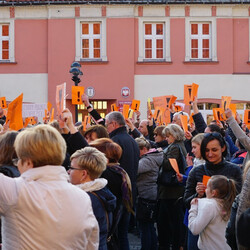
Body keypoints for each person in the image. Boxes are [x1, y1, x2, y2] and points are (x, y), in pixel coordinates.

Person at [0, 125, 99, 249]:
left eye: (18, 160)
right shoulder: (83, 197)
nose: (18, 165)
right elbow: (91, 244)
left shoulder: (15, 191)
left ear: (28, 161)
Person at [69, 147, 116, 250]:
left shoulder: (84, 199)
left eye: (71, 168)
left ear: (83, 174)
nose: (68, 171)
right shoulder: (102, 191)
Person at [90, 138, 134, 249]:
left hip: (111, 219)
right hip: (121, 212)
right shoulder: (119, 171)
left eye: (94, 156)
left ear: (105, 158)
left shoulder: (109, 173)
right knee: (122, 238)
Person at [105, 111, 140, 250]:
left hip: (117, 192)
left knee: (115, 235)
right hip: (130, 190)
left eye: (107, 125)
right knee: (123, 233)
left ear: (114, 124)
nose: (106, 128)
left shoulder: (115, 142)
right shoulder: (132, 140)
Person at [157, 124, 187, 250]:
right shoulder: (179, 145)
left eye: (168, 136)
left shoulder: (174, 147)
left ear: (174, 135)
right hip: (174, 189)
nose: (166, 138)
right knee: (174, 221)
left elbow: (169, 164)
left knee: (170, 221)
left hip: (171, 189)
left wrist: (159, 156)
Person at [188, 175, 236, 250]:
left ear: (213, 192)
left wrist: (193, 208)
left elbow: (195, 229)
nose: (205, 190)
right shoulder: (230, 204)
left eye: (207, 187)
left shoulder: (208, 205)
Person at [135, 137, 163, 250]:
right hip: (149, 194)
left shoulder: (148, 160)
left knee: (144, 227)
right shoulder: (153, 157)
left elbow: (135, 169)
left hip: (146, 195)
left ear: (144, 149)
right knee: (148, 226)